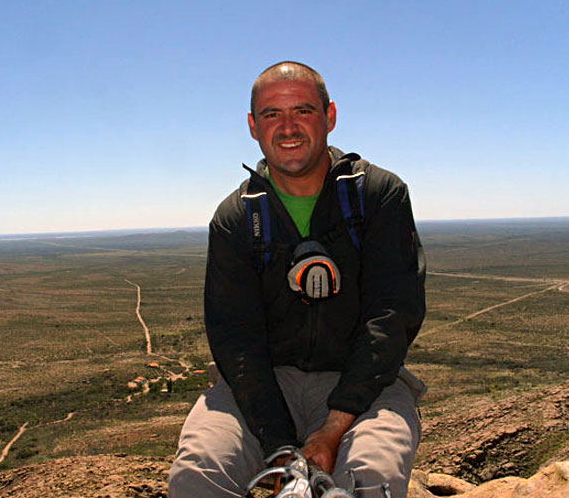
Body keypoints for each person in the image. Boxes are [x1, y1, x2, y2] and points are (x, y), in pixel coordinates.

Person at [169, 62, 427, 498]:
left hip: (365, 382)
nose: (287, 127)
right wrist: (280, 447)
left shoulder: (377, 195)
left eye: (303, 111)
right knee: (197, 475)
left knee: (371, 479)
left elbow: (391, 318)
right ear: (253, 126)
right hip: (265, 385)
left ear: (330, 116)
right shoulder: (238, 217)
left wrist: (332, 430)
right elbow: (236, 340)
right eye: (272, 114)